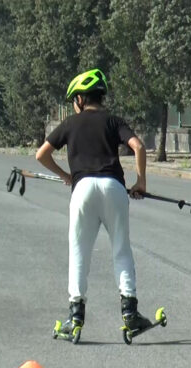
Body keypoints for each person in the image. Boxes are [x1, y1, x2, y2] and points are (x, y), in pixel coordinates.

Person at [36, 68, 152, 339]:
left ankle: (75, 317)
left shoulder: (70, 124)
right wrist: (141, 182)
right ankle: (130, 314)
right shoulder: (113, 121)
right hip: (114, 187)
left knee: (79, 252)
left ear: (79, 99)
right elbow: (139, 147)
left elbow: (41, 154)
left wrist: (68, 176)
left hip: (83, 190)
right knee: (121, 250)